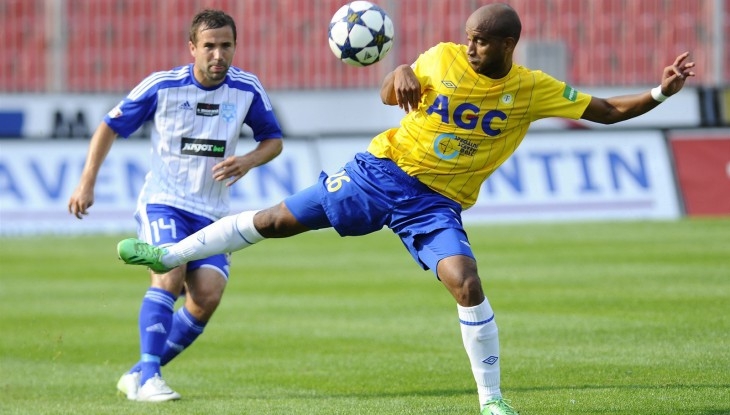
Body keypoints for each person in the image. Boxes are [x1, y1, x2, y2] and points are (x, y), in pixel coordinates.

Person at [116, 3, 695, 414]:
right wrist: (397, 75)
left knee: (466, 281)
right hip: (380, 172)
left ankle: (491, 400)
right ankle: (169, 254)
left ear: (507, 45)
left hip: (436, 205)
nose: (469, 46)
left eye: (481, 40)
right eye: (468, 37)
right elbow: (393, 89)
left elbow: (606, 111)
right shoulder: (442, 58)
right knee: (275, 221)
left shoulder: (531, 89)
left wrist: (661, 92)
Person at [68, 9, 283, 402]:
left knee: (207, 297)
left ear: (235, 47)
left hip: (212, 212)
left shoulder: (247, 89)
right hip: (164, 202)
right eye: (209, 46)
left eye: (226, 45)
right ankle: (150, 377)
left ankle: (138, 373)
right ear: (192, 48)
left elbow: (273, 140)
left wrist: (249, 160)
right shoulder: (163, 86)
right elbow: (110, 125)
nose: (218, 54)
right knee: (169, 272)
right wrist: (87, 182)